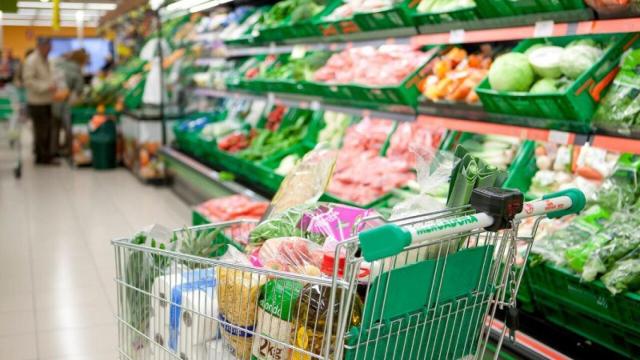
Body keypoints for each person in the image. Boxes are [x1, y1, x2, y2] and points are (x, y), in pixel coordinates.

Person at [23, 38, 57, 165]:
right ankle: (42, 158)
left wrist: (53, 84)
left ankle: (45, 155)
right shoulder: (32, 61)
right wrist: (47, 86)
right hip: (36, 101)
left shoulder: (47, 60)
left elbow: (48, 76)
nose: (49, 49)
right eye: (47, 46)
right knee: (41, 130)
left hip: (47, 100)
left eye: (50, 46)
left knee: (47, 129)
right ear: (40, 46)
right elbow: (28, 81)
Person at [52, 49, 88, 156]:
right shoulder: (76, 69)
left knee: (54, 128)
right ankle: (69, 150)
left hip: (52, 99)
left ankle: (53, 150)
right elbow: (79, 89)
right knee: (68, 127)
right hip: (65, 101)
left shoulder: (59, 65)